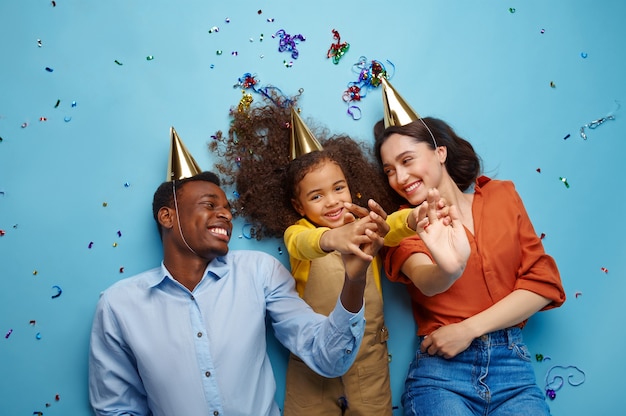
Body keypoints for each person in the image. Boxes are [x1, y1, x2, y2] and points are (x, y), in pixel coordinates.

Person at [88, 127, 390, 416]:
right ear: (168, 217)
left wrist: (354, 279)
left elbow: (327, 356)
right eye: (209, 204)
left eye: (227, 208)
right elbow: (116, 408)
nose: (225, 214)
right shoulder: (119, 305)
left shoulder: (259, 272)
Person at [373, 78, 567, 416]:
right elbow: (427, 280)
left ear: (440, 153)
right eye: (390, 170)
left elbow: (543, 285)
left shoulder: (501, 196)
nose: (399, 178)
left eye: (407, 160)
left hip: (514, 373)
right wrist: (449, 266)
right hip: (442, 374)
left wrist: (468, 329)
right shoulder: (401, 225)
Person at [213, 97, 410, 415]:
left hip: (368, 359)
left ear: (352, 187)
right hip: (312, 362)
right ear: (298, 206)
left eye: (339, 189)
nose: (332, 202)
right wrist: (335, 237)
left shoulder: (366, 226)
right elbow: (304, 244)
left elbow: (392, 226)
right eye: (317, 196)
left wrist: (414, 219)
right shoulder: (299, 232)